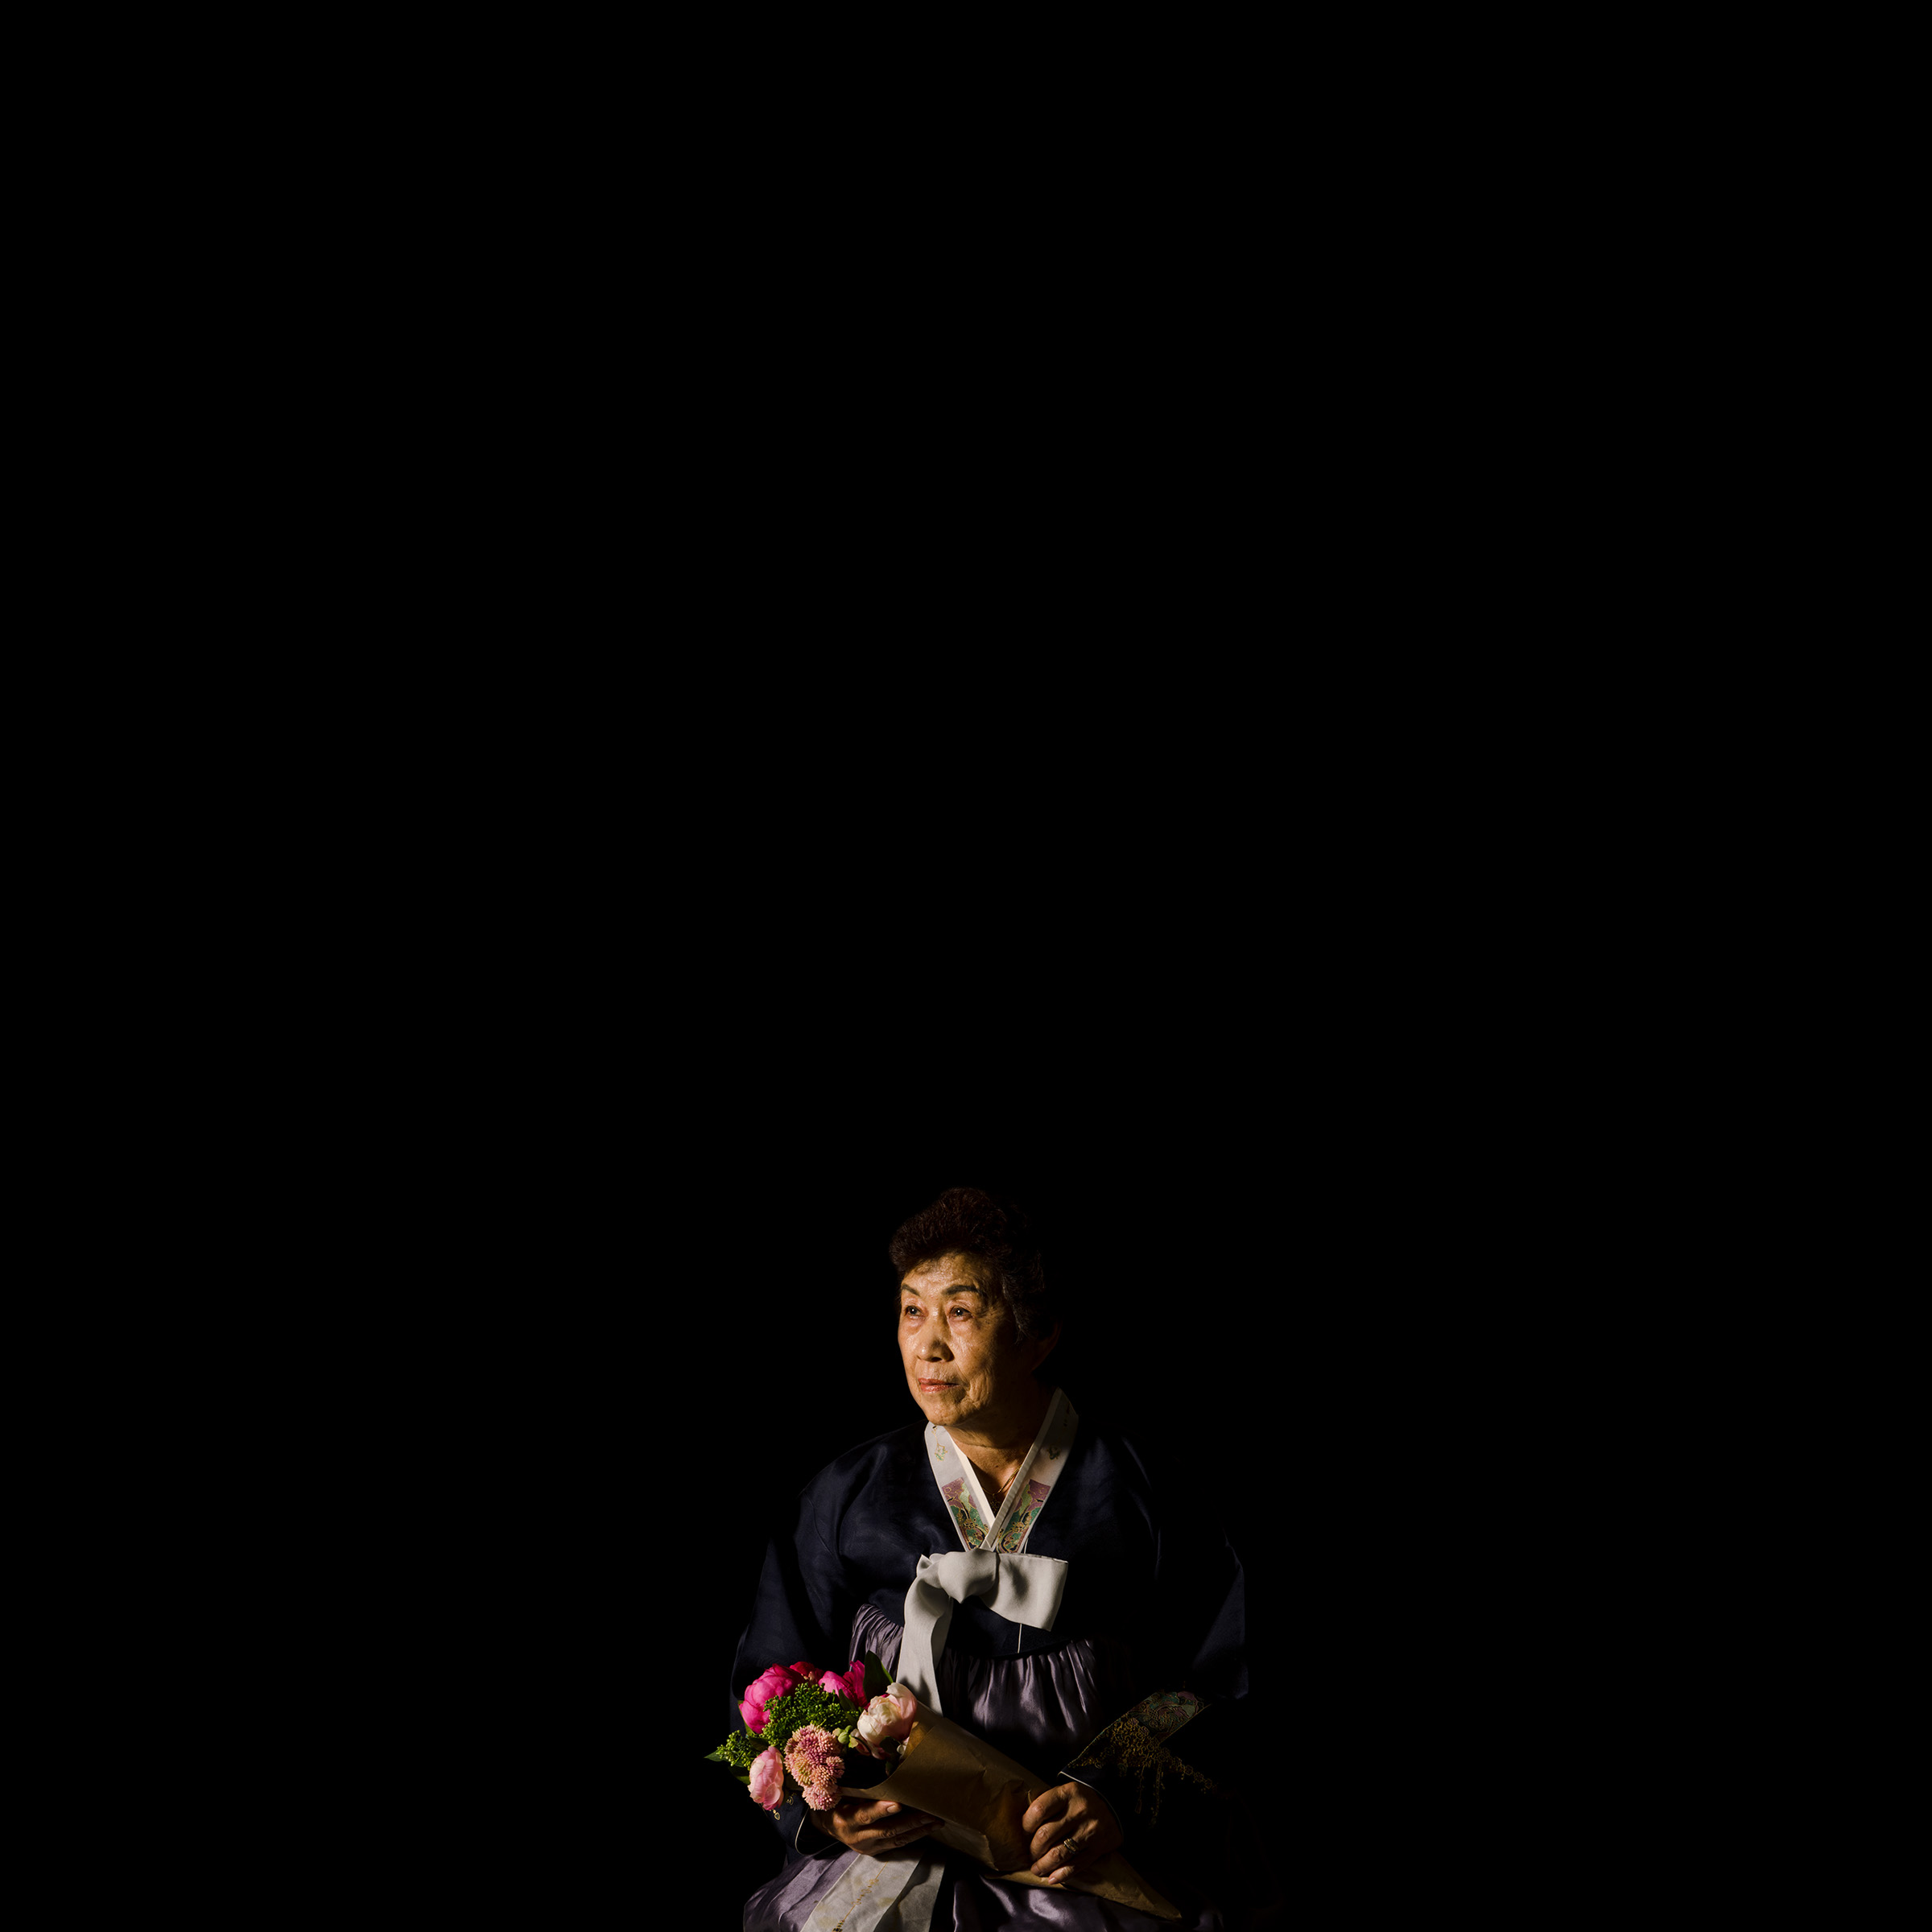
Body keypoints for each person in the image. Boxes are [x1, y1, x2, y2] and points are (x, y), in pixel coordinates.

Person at [733, 1189, 1250, 1931]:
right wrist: (828, 1809)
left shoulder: (1146, 1494)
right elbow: (772, 1676)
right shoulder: (846, 1497)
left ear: (1038, 1335)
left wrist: (1114, 1793)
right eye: (912, 1311)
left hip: (1082, 1858)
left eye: (961, 1312)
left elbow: (1219, 1677)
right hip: (896, 1852)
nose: (927, 1345)